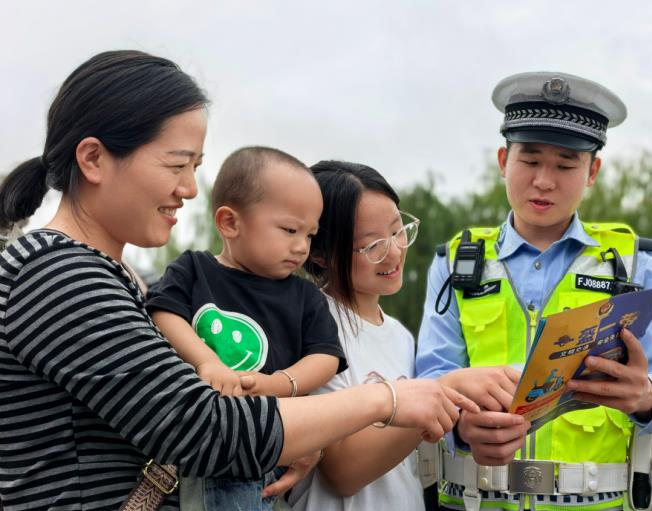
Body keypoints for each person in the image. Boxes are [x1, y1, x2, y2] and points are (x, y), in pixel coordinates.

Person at [0, 50, 477, 511]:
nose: (188, 189)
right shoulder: (57, 273)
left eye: (195, 168)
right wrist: (385, 399)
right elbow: (202, 429)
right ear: (94, 159)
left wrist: (295, 439)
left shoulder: (110, 277)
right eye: (175, 164)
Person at [416, 71, 652, 511]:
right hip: (473, 501)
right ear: (503, 160)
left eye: (566, 165)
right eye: (529, 161)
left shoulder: (636, 260)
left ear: (592, 171)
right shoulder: (455, 261)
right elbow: (429, 381)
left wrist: (644, 395)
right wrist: (462, 428)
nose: (545, 180)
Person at [289, 161, 521, 511]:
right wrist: (447, 389)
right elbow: (343, 472)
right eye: (373, 246)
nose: (396, 252)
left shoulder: (399, 336)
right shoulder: (315, 325)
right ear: (319, 254)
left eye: (398, 231)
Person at [147, 146, 348, 509]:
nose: (302, 247)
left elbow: (326, 356)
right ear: (230, 223)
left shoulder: (304, 295)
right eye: (290, 230)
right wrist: (206, 362)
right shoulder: (194, 270)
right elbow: (164, 314)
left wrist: (281, 383)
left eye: (310, 234)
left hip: (271, 445)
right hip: (207, 442)